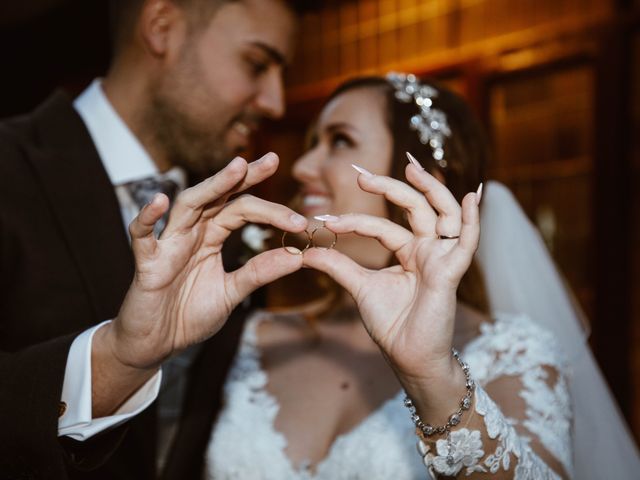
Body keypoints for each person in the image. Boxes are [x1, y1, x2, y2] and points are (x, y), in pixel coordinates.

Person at [199, 74, 640, 479]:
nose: (301, 167)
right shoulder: (251, 336)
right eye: (314, 141)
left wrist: (432, 377)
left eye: (340, 141)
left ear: (424, 185)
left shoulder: (515, 354)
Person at [0, 0, 312, 478]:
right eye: (256, 64)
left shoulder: (234, 223)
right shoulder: (11, 166)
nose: (276, 102)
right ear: (162, 29)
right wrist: (113, 361)